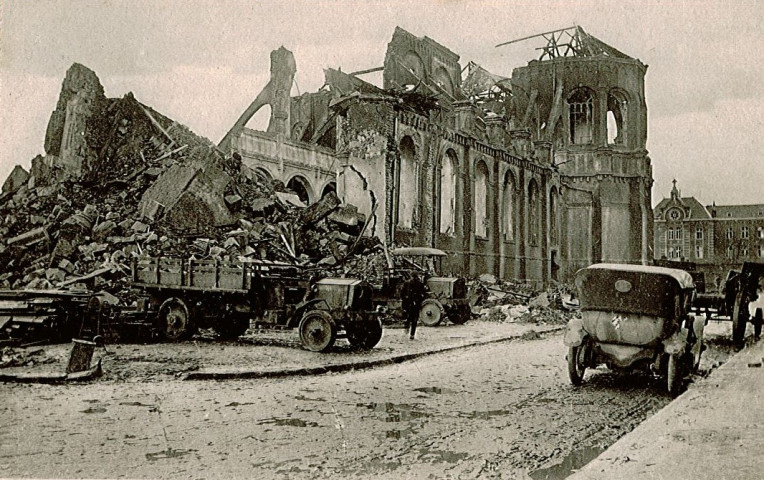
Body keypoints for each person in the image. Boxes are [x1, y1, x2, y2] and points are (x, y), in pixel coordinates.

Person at [401, 271, 428, 340]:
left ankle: (408, 328)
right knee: (414, 319)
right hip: (414, 303)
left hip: (409, 303)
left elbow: (402, 293)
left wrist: (404, 300)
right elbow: (424, 294)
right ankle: (412, 334)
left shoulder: (407, 283)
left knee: (409, 317)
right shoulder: (419, 284)